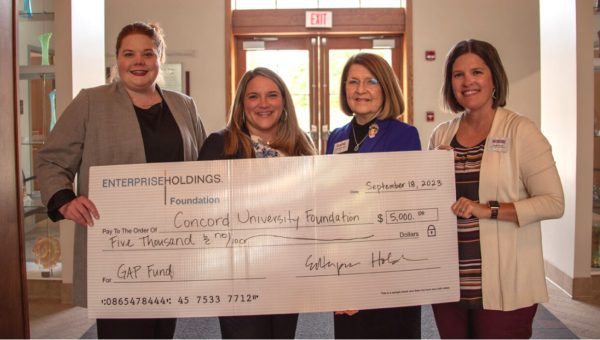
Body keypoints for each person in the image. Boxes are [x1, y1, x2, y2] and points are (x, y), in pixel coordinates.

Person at [36, 22, 206, 338]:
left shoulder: (184, 105)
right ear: (118, 59)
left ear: (160, 59)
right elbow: (52, 159)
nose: (138, 62)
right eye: (129, 54)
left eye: (147, 53)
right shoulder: (91, 102)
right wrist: (64, 200)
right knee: (123, 330)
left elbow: (203, 166)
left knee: (162, 328)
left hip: (173, 243)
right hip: (117, 246)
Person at [428, 39, 564, 338]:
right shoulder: (441, 134)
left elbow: (554, 202)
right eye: (458, 74)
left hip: (505, 279)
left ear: (494, 78)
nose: (467, 82)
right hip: (450, 278)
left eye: (477, 72)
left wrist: (486, 209)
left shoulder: (520, 131)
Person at [198, 67, 316, 338]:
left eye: (272, 95)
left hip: (288, 271)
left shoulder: (301, 144)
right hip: (237, 274)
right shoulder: (219, 145)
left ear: (284, 102)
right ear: (241, 104)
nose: (263, 104)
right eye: (253, 96)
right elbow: (201, 209)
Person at [326, 52, 422, 338]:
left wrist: (364, 286)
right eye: (352, 81)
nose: (360, 89)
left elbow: (400, 214)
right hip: (344, 263)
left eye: (371, 81)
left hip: (389, 268)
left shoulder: (405, 135)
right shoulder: (336, 137)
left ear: (387, 87)